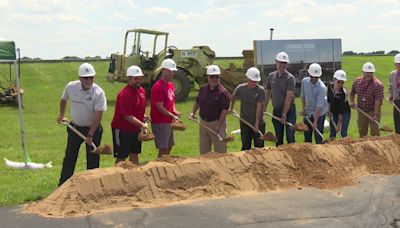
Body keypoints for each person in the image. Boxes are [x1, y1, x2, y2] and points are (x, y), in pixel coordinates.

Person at [56, 63, 107, 186]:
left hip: (92, 129)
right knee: (69, 157)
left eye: (91, 77)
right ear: (80, 78)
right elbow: (63, 99)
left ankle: (92, 185)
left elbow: (98, 116)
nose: (89, 80)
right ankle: (63, 185)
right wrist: (61, 115)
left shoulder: (98, 93)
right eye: (86, 78)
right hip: (75, 128)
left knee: (93, 158)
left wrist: (90, 134)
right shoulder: (71, 87)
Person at [189, 65, 230, 154]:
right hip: (203, 123)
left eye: (217, 77)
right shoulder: (202, 89)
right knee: (204, 152)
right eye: (212, 77)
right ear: (208, 77)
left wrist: (219, 126)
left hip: (217, 123)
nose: (214, 79)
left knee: (220, 152)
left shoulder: (223, 92)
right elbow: (197, 101)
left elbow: (225, 110)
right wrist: (192, 113)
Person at [111, 65, 147, 165]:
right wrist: (142, 125)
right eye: (135, 78)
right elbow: (127, 116)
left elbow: (139, 109)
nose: (138, 80)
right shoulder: (125, 94)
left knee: (135, 154)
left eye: (140, 78)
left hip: (135, 129)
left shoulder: (142, 91)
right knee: (121, 157)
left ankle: (134, 177)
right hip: (122, 129)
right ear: (129, 79)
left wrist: (143, 117)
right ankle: (115, 178)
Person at [229, 67, 266, 150]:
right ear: (248, 78)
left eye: (256, 81)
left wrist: (256, 124)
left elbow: (259, 108)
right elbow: (233, 96)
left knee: (259, 147)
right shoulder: (240, 88)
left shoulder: (260, 90)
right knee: (246, 146)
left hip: (258, 123)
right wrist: (231, 108)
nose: (254, 83)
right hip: (245, 122)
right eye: (253, 81)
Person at [264, 52, 296, 146]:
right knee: (278, 136)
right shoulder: (271, 76)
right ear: (276, 62)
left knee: (290, 135)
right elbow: (268, 92)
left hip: (289, 110)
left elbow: (289, 98)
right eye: (280, 62)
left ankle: (293, 155)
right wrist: (264, 107)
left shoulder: (290, 78)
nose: (282, 65)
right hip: (276, 109)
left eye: (284, 63)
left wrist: (284, 114)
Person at [150, 59, 181, 158]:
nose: (172, 73)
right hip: (160, 121)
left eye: (173, 71)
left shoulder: (171, 85)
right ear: (163, 70)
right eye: (169, 71)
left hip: (168, 120)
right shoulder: (158, 86)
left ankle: (165, 164)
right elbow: (159, 106)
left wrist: (174, 111)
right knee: (163, 148)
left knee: (169, 146)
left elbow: (171, 101)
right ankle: (159, 166)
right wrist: (172, 115)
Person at [349, 62, 384, 137]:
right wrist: (352, 101)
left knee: (375, 132)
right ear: (363, 72)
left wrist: (375, 114)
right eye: (367, 73)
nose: (369, 75)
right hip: (361, 110)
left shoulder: (378, 85)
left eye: (371, 73)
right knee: (362, 131)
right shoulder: (357, 82)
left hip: (373, 110)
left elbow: (378, 100)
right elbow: (352, 93)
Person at [300, 63, 328, 144]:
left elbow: (318, 106)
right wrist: (303, 109)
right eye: (312, 77)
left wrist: (315, 121)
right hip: (308, 112)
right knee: (307, 135)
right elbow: (302, 96)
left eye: (316, 77)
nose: (314, 79)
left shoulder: (322, 88)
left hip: (319, 113)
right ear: (309, 74)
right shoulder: (304, 81)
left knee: (318, 135)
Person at [327, 70, 351, 139]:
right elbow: (329, 100)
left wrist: (338, 124)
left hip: (344, 112)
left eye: (342, 82)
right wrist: (328, 110)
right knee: (332, 132)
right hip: (334, 112)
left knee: (343, 132)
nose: (340, 84)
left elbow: (341, 110)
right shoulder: (329, 87)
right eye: (338, 82)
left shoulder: (343, 93)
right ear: (334, 80)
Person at [389, 53, 400, 134]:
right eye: (398, 64)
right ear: (395, 64)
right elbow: (391, 86)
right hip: (396, 101)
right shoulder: (392, 74)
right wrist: (391, 95)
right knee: (397, 121)